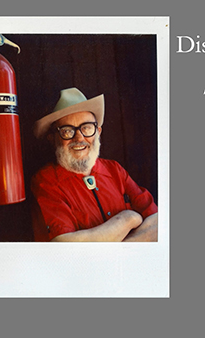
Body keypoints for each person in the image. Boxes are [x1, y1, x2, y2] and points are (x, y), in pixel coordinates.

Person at [31, 87, 158, 242]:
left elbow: (157, 221)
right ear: (53, 138)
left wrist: (122, 249)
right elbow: (65, 246)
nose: (79, 138)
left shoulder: (114, 169)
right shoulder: (46, 181)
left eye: (86, 128)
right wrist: (128, 219)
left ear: (98, 131)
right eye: (67, 131)